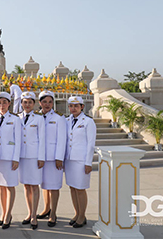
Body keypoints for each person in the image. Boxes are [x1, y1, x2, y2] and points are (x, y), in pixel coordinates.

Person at [64, 96, 96, 228]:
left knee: (80, 189)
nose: (73, 108)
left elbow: (91, 144)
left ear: (82, 107)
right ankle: (77, 213)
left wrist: (88, 162)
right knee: (72, 187)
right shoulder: (66, 121)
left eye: (76, 106)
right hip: (70, 160)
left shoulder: (88, 122)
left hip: (81, 161)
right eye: (71, 106)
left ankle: (82, 216)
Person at [36, 90, 67, 227]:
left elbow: (62, 139)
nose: (47, 104)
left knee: (53, 186)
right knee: (44, 185)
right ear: (39, 103)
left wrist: (59, 157)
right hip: (40, 157)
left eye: (50, 102)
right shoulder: (36, 117)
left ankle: (53, 213)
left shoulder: (59, 118)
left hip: (54, 157)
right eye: (44, 101)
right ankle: (46, 209)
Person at [0, 91, 21, 230]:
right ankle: (3, 212)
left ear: (9, 104)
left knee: (10, 186)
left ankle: (8, 214)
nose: (2, 105)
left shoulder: (15, 119)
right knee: (1, 186)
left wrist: (16, 158)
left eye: (4, 102)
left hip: (10, 158)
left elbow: (18, 140)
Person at [18, 91, 45, 230]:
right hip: (22, 157)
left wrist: (41, 157)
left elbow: (42, 139)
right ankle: (29, 213)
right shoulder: (17, 118)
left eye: (29, 102)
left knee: (34, 186)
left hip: (34, 157)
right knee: (26, 186)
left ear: (34, 104)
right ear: (21, 103)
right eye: (24, 102)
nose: (27, 105)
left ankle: (34, 215)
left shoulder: (39, 119)